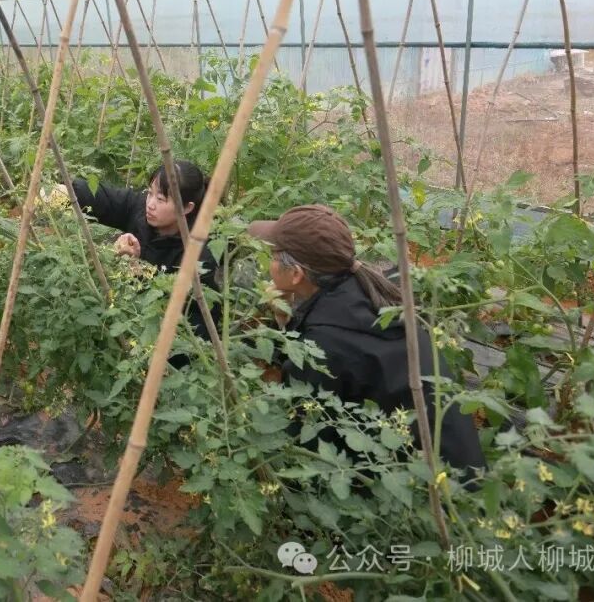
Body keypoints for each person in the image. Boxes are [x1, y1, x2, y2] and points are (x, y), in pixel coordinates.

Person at [248, 204, 485, 476]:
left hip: (424, 486)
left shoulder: (325, 343)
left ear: (295, 274)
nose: (268, 263)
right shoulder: (369, 292)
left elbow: (304, 433)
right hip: (460, 471)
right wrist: (284, 318)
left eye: (273, 256)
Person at [70, 161, 220, 346]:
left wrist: (137, 268)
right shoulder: (142, 210)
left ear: (187, 208)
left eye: (161, 199)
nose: (150, 204)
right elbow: (104, 198)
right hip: (131, 320)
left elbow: (196, 325)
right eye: (150, 193)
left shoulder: (200, 255)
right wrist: (65, 191)